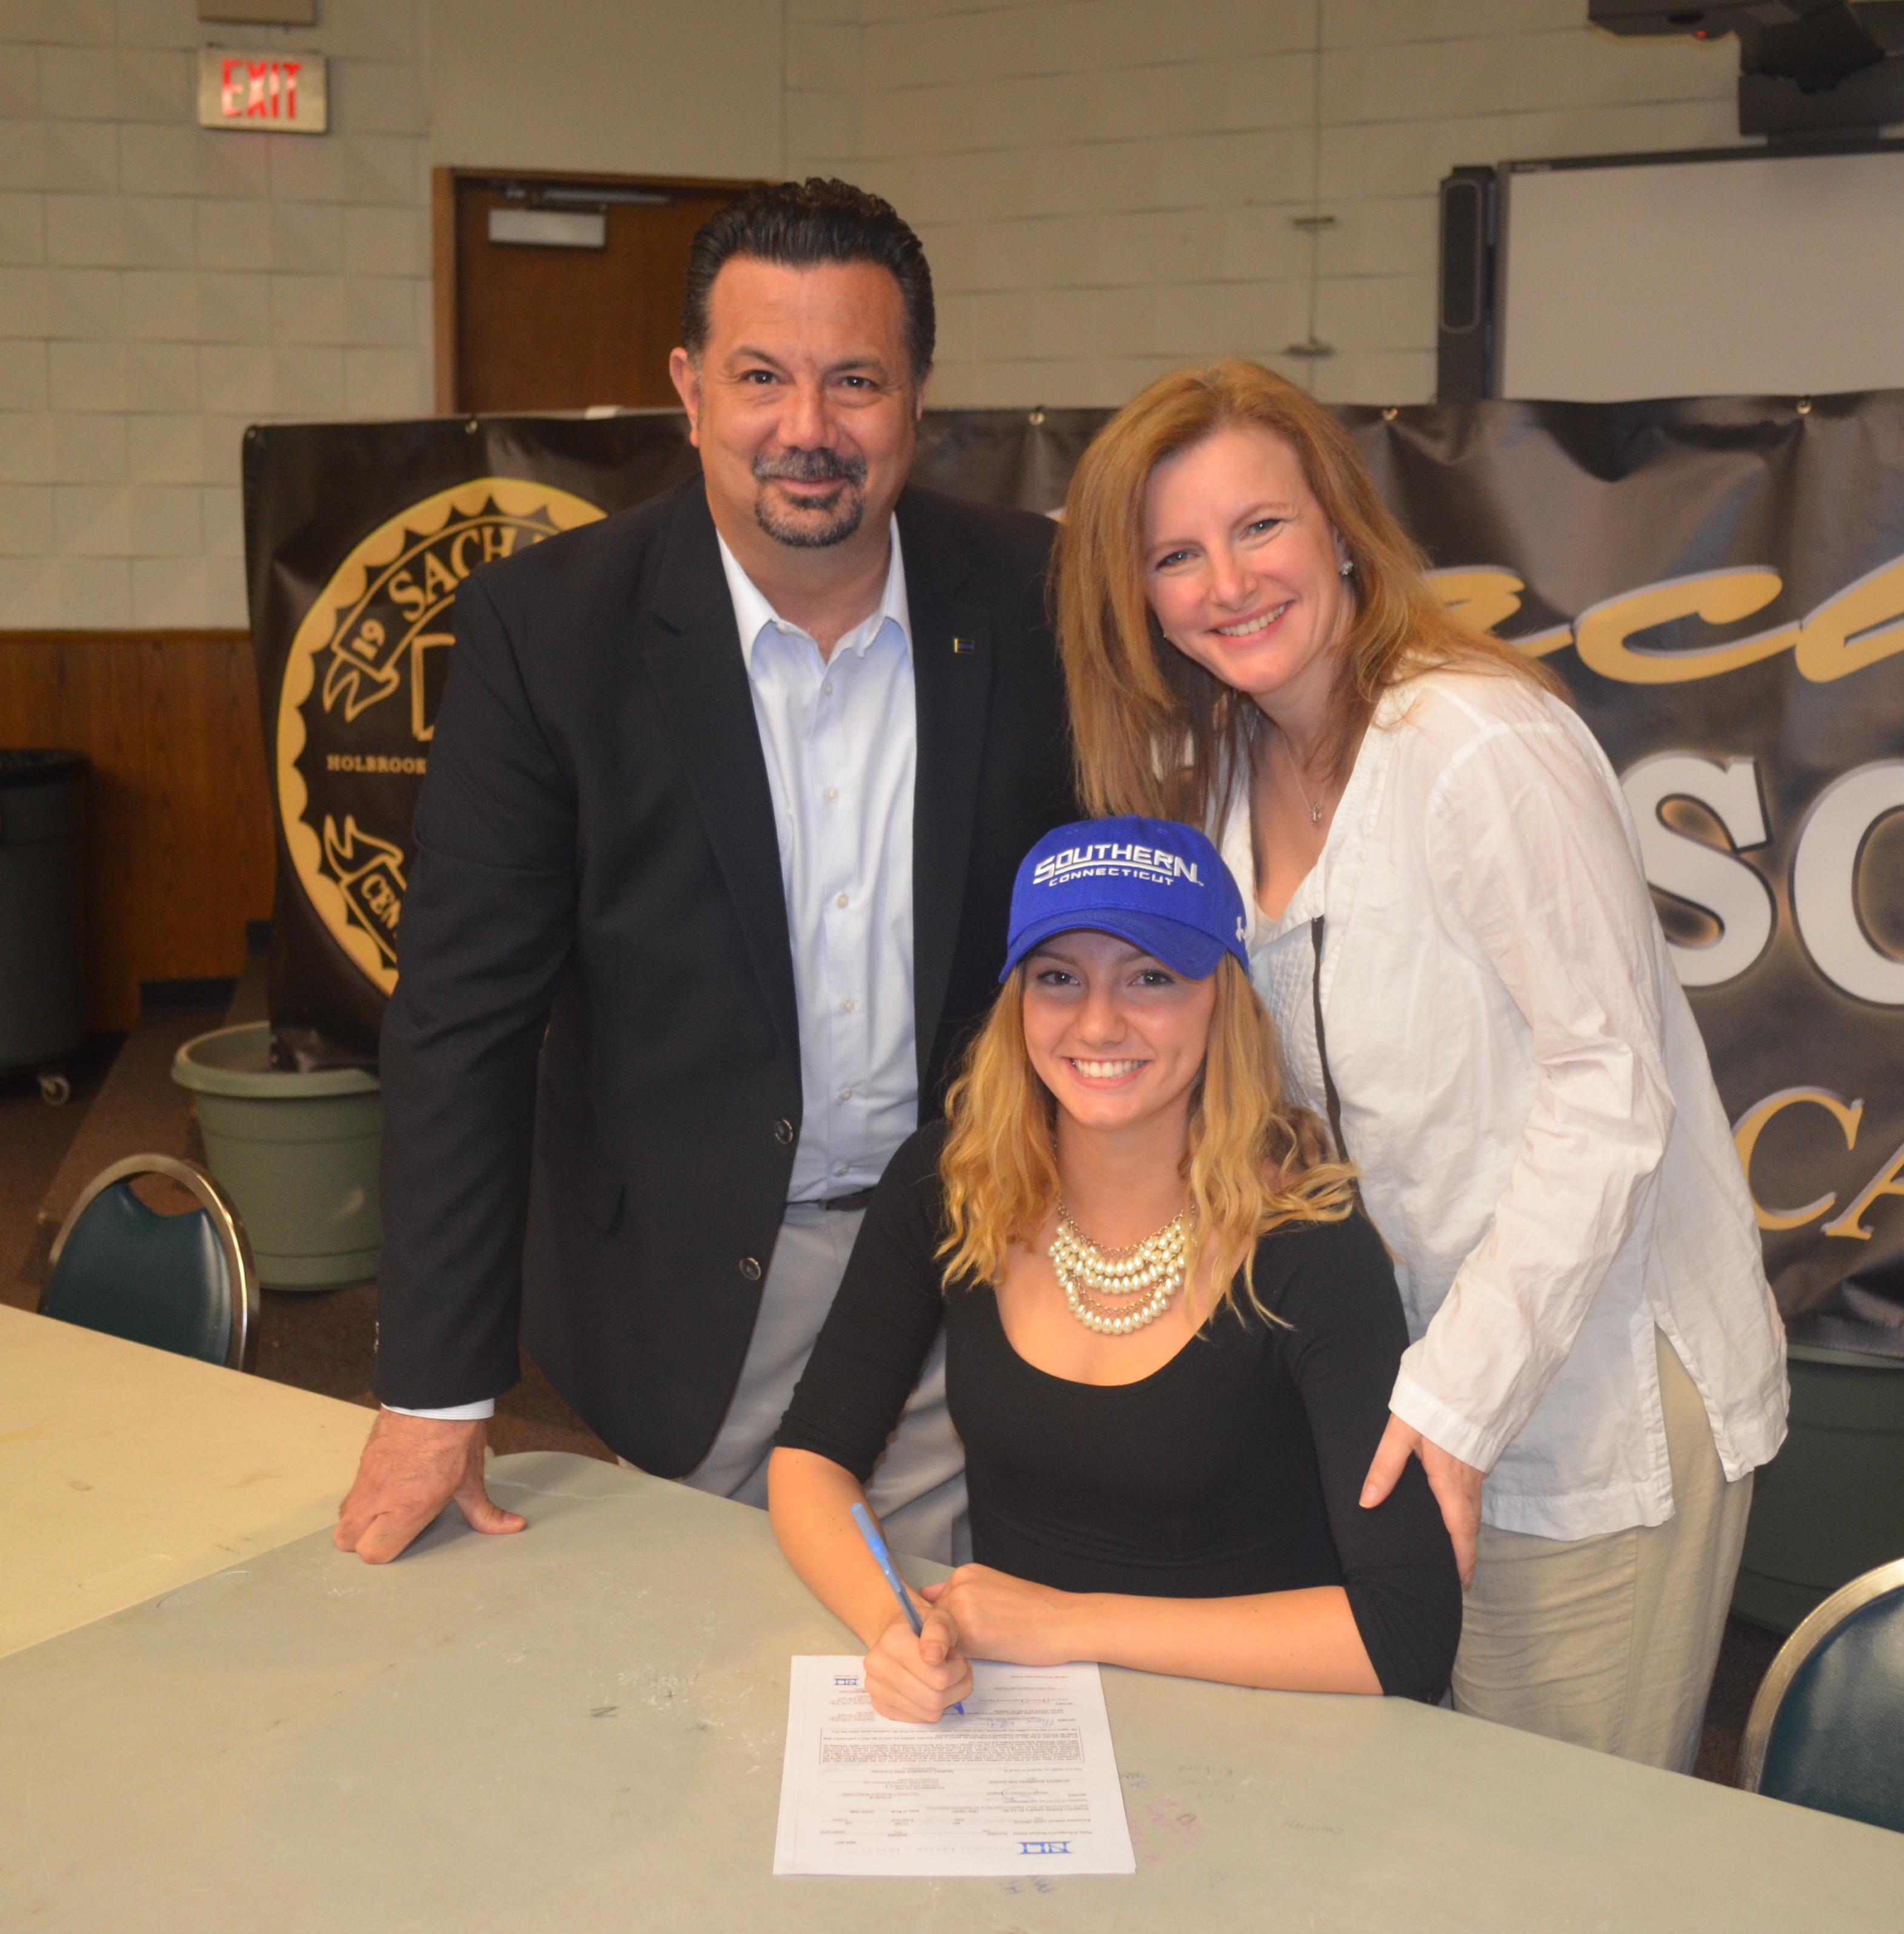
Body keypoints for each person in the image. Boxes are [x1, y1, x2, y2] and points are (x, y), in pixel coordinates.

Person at [1051, 359, 1787, 1771]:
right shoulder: (1216, 772)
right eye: (1174, 555)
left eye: (1256, 527)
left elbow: (1609, 1095)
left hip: (1578, 1413)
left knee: (1556, 1851)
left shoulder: (1472, 744)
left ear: (1336, 523)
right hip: (1387, 1415)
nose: (1225, 584)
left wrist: (1451, 1412)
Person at [333, 179, 1074, 1567]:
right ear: (688, 390)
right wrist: (435, 1390)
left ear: (918, 396)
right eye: (760, 376)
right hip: (692, 1290)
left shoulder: (1043, 599)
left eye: (855, 379)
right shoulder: (547, 632)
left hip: (982, 1258)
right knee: (696, 1652)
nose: (807, 428)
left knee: (957, 1649)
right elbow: (461, 1022)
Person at [769, 816, 1461, 1721]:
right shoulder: (952, 1183)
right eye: (1058, 977)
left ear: (1224, 1000)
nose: (1097, 1023)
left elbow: (1407, 1629)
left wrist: (1072, 1624)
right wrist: (894, 1625)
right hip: (1025, 1722)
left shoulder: (1311, 1246)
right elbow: (813, 1457)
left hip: (1264, 1725)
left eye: (1150, 977)